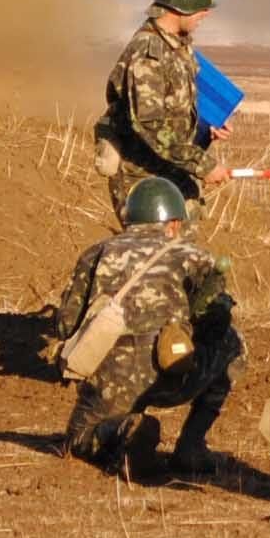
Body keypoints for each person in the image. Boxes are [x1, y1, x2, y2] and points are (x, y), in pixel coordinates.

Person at [50, 177, 240, 477]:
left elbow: (66, 325)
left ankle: (121, 429)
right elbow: (218, 322)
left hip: (111, 382)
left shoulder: (96, 253)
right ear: (174, 224)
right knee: (233, 343)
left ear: (130, 218)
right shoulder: (196, 257)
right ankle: (191, 445)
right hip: (174, 375)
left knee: (79, 439)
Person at [93, 0, 228, 213]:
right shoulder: (148, 54)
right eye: (201, 7)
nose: (206, 13)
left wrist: (206, 125)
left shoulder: (178, 46)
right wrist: (203, 164)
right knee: (159, 240)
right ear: (180, 6)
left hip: (171, 172)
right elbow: (150, 125)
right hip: (143, 182)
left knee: (186, 237)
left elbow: (176, 106)